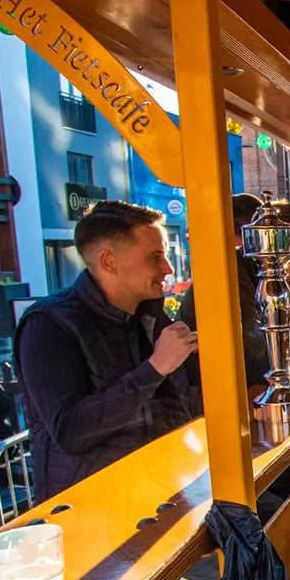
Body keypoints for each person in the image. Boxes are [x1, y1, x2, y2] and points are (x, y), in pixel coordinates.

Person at [15, 200, 197, 501]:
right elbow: (70, 432)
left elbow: (177, 405)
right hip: (94, 510)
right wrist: (156, 367)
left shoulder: (148, 316)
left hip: (163, 488)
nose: (167, 268)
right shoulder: (48, 323)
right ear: (109, 262)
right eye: (155, 257)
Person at [177, 193, 268, 403]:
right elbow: (255, 350)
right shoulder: (229, 270)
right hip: (214, 402)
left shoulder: (252, 268)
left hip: (232, 393)